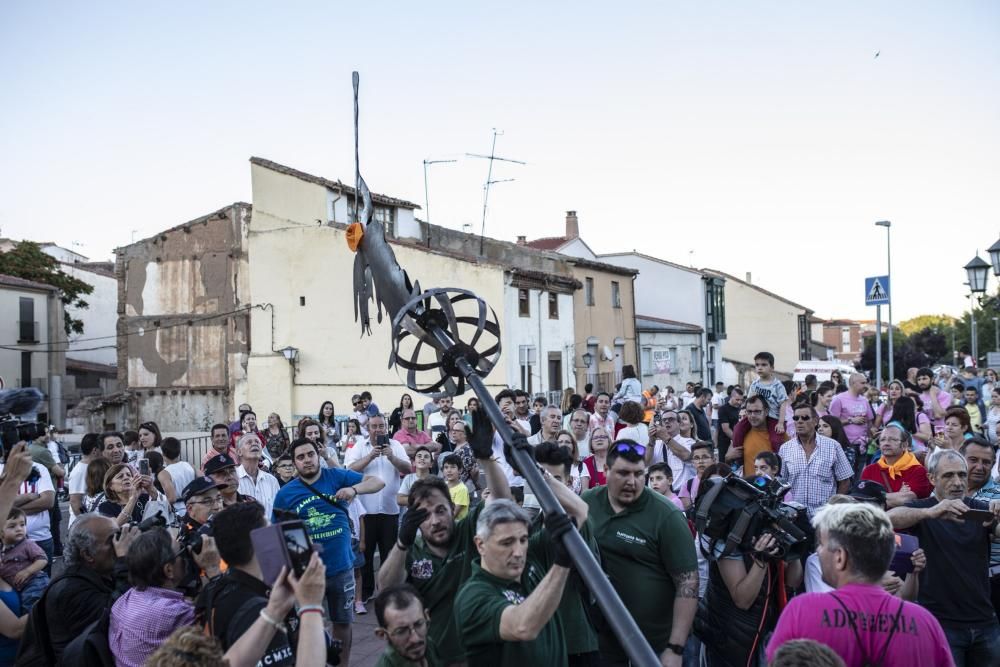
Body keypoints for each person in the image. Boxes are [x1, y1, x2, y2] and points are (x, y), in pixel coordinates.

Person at [376, 422, 515, 666]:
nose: (435, 520)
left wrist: (487, 458)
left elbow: (502, 499)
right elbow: (386, 589)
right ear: (414, 520)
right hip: (436, 657)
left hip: (483, 652)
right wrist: (401, 543)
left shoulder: (469, 530)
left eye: (441, 510)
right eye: (424, 515)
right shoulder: (411, 549)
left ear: (452, 509)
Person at [767, 502, 953, 667]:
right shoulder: (924, 622)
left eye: (822, 544)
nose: (818, 551)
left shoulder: (802, 611)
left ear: (840, 557)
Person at [582, 440, 698, 665]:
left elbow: (688, 585)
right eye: (623, 473)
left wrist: (675, 648)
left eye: (638, 474)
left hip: (654, 647)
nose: (632, 482)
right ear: (605, 471)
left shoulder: (666, 516)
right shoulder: (588, 503)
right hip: (603, 644)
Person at [272, 437, 385, 665]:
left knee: (343, 623)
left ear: (318, 455)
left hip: (342, 566)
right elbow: (278, 534)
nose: (307, 460)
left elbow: (377, 482)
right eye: (301, 457)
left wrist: (354, 489)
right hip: (308, 573)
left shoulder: (336, 476)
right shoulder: (286, 493)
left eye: (310, 454)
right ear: (294, 463)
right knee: (309, 622)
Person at [888, 448, 1000, 664]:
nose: (958, 482)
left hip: (985, 620)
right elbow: (887, 520)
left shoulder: (978, 509)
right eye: (949, 475)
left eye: (962, 475)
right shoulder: (922, 509)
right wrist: (930, 513)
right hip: (939, 623)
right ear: (931, 478)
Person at [194, 501, 330, 667]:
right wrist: (311, 606)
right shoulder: (258, 613)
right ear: (262, 541)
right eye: (271, 529)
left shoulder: (213, 589)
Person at [696, 480, 804, 667]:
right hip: (728, 641)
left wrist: (792, 549)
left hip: (762, 635)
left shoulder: (766, 533)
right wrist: (761, 560)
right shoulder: (727, 542)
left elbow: (793, 582)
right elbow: (742, 600)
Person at [454, 500, 576, 665]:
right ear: (480, 544)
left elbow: (579, 511)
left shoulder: (530, 564)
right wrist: (562, 563)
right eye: (506, 543)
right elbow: (523, 627)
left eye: (523, 540)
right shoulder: (472, 596)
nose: (518, 552)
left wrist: (544, 476)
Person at [16, 514, 131, 664]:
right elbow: (123, 616)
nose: (120, 544)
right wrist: (125, 562)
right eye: (113, 540)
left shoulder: (101, 575)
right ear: (88, 554)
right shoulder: (70, 590)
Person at [344, 413, 412, 602]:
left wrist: (392, 458)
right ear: (368, 428)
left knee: (388, 553)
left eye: (381, 426)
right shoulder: (360, 446)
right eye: (374, 426)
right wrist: (369, 457)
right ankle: (365, 593)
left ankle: (387, 592)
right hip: (366, 510)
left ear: (386, 427)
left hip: (390, 509)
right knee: (365, 555)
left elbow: (407, 468)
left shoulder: (396, 446)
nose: (378, 430)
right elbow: (349, 470)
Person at [109, 528, 197, 667]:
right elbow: (216, 626)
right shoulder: (173, 611)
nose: (186, 557)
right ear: (169, 570)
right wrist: (212, 569)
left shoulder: (125, 599)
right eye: (182, 553)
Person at [779, 405, 853, 517]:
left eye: (804, 418)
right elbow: (782, 483)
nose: (799, 421)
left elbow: (845, 481)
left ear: (815, 421)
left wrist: (833, 508)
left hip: (824, 515)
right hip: (795, 517)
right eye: (796, 418)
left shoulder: (832, 446)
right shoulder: (785, 449)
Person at [962, 436, 1000, 616]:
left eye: (986, 462)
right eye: (973, 460)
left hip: (993, 581)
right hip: (955, 580)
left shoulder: (998, 496)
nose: (979, 467)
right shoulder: (944, 490)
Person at [860, 423, 932, 507]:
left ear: (904, 445)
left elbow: (905, 500)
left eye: (892, 439)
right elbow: (861, 499)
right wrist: (896, 495)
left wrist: (873, 497)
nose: (886, 443)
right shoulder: (869, 470)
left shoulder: (918, 471)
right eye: (882, 440)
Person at [373, 584, 442, 667]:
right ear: (382, 634)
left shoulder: (429, 646)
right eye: (401, 631)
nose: (415, 639)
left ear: (427, 617)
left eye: (419, 624)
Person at [0, 509, 48, 611]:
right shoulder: (2, 548)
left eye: (22, 525)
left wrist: (27, 571)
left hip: (34, 582)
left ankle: (29, 625)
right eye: (12, 526)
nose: (19, 529)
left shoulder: (27, 544)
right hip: (17, 586)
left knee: (30, 607)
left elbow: (42, 559)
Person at [728, 394, 787, 475]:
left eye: (757, 411)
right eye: (749, 412)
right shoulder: (741, 434)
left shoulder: (779, 435)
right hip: (748, 486)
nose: (752, 415)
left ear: (766, 412)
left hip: (770, 486)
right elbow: (729, 461)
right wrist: (728, 458)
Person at [827, 373, 873, 471]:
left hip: (862, 445)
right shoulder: (839, 399)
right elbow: (831, 423)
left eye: (865, 383)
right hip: (846, 444)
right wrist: (850, 420)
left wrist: (869, 437)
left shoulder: (864, 400)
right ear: (853, 383)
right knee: (847, 476)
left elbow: (870, 420)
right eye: (862, 383)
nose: (865, 385)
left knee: (858, 476)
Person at [648, 408, 696, 493]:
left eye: (671, 419)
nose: (667, 422)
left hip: (679, 494)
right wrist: (651, 442)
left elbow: (686, 456)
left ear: (679, 423)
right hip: (657, 495)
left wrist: (665, 437)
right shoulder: (655, 444)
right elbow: (645, 462)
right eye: (664, 420)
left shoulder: (688, 442)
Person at [235, 433, 281, 517]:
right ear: (239, 452)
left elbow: (278, 512)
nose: (254, 444)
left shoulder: (272, 481)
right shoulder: (233, 479)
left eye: (257, 442)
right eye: (249, 442)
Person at [748, 351, 790, 434]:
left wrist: (781, 423)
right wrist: (744, 410)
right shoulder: (754, 384)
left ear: (772, 368)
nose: (760, 368)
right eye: (757, 365)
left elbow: (783, 404)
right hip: (756, 416)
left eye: (764, 365)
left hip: (773, 417)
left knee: (776, 440)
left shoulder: (778, 386)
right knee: (739, 429)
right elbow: (749, 400)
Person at [68, 433, 101, 527]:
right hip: (83, 526)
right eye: (101, 448)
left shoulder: (91, 467)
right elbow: (75, 501)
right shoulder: (80, 471)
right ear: (95, 450)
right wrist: (86, 524)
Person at [158, 436, 196, 518]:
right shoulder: (190, 466)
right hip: (195, 506)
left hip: (179, 511)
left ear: (163, 453)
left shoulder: (164, 474)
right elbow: (203, 481)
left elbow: (172, 498)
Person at [917, 367, 953, 433]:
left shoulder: (945, 395)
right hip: (924, 433)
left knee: (939, 443)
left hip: (940, 431)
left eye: (924, 378)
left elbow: (938, 415)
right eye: (919, 379)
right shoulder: (918, 398)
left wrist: (933, 395)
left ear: (932, 379)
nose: (921, 382)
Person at [715, 387, 744, 463]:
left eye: (741, 400)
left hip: (736, 441)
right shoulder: (723, 409)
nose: (739, 402)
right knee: (724, 465)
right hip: (725, 442)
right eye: (737, 400)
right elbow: (726, 429)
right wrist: (737, 440)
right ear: (731, 397)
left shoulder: (739, 408)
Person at [440, 454, 469, 521]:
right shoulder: (443, 485)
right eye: (446, 467)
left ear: (460, 470)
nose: (449, 470)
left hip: (457, 526)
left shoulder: (462, 489)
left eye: (453, 467)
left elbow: (453, 514)